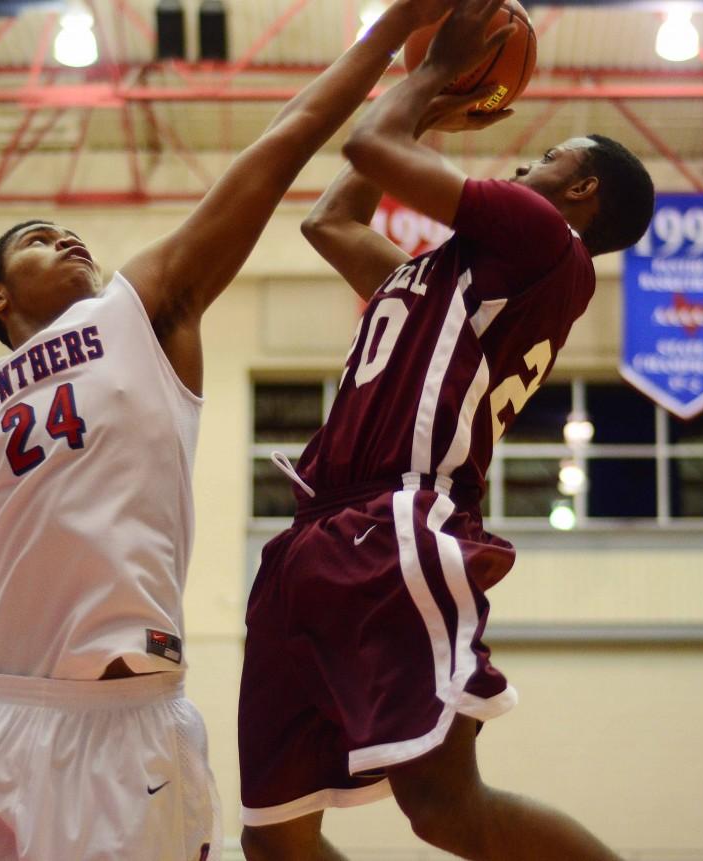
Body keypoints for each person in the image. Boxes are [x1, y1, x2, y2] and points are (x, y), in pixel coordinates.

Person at [0, 2, 459, 859]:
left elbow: (281, 142)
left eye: (68, 228)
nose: (66, 235)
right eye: (37, 239)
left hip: (110, 723)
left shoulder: (139, 308)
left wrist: (396, 45)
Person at [237, 2, 656, 859]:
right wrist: (424, 103)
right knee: (273, 839)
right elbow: (330, 222)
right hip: (316, 535)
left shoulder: (546, 238)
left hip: (396, 520)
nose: (523, 159)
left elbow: (368, 152)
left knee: (443, 805)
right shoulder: (446, 277)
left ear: (582, 192)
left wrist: (427, 83)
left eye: (549, 158)